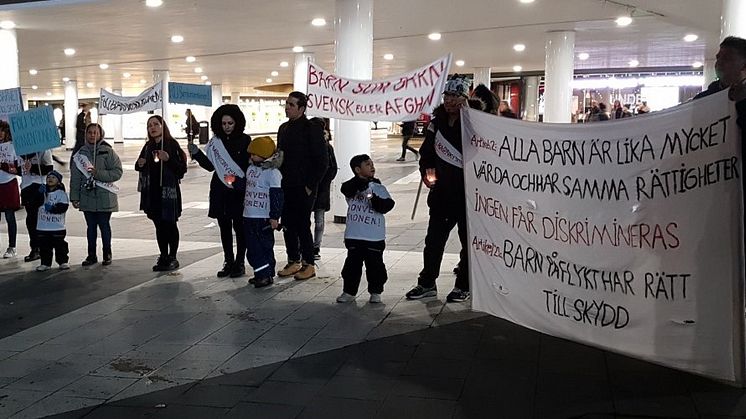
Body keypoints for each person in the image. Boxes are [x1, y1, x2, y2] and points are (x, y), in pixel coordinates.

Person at [405, 77, 472, 303]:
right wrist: (427, 172)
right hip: (442, 195)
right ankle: (426, 283)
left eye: (455, 96)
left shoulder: (474, 122)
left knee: (468, 244)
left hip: (467, 197)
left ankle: (464, 285)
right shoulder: (437, 122)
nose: (450, 101)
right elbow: (427, 153)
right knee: (433, 242)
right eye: (447, 96)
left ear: (465, 98)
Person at [188, 104, 251, 278]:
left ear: (237, 122)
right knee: (224, 227)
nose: (227, 127)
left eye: (230, 123)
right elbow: (210, 167)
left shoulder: (245, 140)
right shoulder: (215, 143)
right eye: (223, 123)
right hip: (220, 189)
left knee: (239, 227)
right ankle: (228, 261)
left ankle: (240, 262)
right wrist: (197, 154)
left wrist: (239, 181)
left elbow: (248, 166)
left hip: (237, 190)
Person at [276, 91, 329, 280]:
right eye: (286, 103)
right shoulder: (283, 128)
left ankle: (308, 263)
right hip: (286, 184)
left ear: (301, 108)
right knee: (287, 224)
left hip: (304, 186)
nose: (287, 107)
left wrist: (310, 185)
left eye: (291, 104)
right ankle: (293, 260)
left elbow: (322, 161)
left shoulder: (311, 128)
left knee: (302, 225)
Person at [336, 154, 395, 304]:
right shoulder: (351, 187)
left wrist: (371, 196)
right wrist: (362, 184)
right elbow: (346, 189)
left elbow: (385, 206)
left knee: (375, 266)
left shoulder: (378, 187)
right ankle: (349, 291)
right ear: (357, 169)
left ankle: (376, 291)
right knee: (351, 266)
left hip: (374, 237)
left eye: (372, 163)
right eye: (367, 164)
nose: (372, 166)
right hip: (354, 235)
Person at [136, 115, 187, 272]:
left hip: (168, 192)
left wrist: (168, 158)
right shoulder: (148, 146)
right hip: (153, 192)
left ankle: (173, 256)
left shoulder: (171, 144)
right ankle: (163, 255)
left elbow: (181, 169)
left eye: (156, 124)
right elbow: (140, 165)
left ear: (162, 126)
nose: (153, 128)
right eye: (150, 125)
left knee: (170, 224)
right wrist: (140, 164)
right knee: (159, 225)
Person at [70, 123, 123, 266]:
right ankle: (91, 255)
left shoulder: (108, 152)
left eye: (96, 133)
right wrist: (74, 197)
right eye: (90, 132)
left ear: (101, 134)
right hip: (87, 197)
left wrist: (98, 174)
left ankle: (107, 253)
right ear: (86, 134)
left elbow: (117, 172)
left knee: (104, 226)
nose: (92, 135)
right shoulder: (80, 154)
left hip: (105, 197)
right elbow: (75, 177)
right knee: (91, 227)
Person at [239, 136, 283, 288]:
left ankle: (264, 274)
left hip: (262, 217)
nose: (251, 156)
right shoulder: (251, 169)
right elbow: (246, 185)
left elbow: (276, 196)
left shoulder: (273, 173)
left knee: (260, 248)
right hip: (249, 214)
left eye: (254, 154)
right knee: (255, 247)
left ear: (264, 155)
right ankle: (264, 273)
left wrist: (274, 216)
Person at [310, 117, 337, 260]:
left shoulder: (327, 147)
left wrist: (324, 182)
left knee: (319, 221)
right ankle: (307, 246)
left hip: (321, 190)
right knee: (306, 221)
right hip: (308, 189)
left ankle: (315, 247)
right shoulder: (306, 144)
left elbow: (333, 168)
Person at [20, 149, 53, 262]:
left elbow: (49, 169)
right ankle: (35, 248)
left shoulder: (44, 149)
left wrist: (33, 167)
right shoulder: (20, 149)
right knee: (31, 220)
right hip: (25, 186)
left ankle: (44, 248)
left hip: (39, 185)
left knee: (39, 219)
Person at [34, 170, 70, 271]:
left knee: (60, 245)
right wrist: (38, 194)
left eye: (53, 177)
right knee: (44, 246)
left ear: (58, 181)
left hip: (57, 226)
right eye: (48, 177)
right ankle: (45, 263)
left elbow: (63, 207)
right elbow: (34, 203)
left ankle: (62, 261)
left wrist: (53, 209)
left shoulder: (61, 194)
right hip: (42, 226)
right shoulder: (42, 192)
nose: (50, 179)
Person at [0, 121, 20, 258]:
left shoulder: (13, 147)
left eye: (2, 130)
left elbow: (18, 169)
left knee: (9, 217)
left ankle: (12, 247)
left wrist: (4, 166)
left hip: (8, 184)